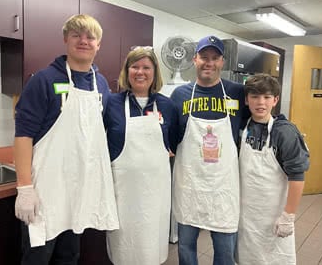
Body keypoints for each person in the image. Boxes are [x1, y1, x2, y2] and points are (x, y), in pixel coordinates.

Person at [14, 14, 119, 264]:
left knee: (69, 257)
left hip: (77, 195)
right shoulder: (44, 80)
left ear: (98, 44)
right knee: (36, 258)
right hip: (45, 194)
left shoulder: (101, 84)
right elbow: (23, 136)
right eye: (76, 35)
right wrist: (25, 189)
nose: (84, 41)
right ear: (65, 39)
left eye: (90, 36)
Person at [171, 35, 249, 265]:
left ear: (222, 62)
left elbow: (260, 111)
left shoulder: (237, 93)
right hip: (190, 186)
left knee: (225, 251)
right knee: (185, 247)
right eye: (204, 57)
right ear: (194, 59)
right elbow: (171, 136)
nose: (209, 62)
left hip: (223, 187)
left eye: (215, 58)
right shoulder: (180, 95)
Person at [103, 46, 178, 265]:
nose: (140, 72)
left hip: (155, 193)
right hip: (122, 193)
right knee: (123, 247)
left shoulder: (168, 106)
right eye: (134, 66)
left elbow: (172, 143)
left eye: (146, 67)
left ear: (155, 72)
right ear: (127, 71)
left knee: (151, 246)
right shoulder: (112, 104)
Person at [237, 73, 309, 264]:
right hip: (246, 214)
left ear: (275, 100)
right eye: (254, 96)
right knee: (247, 258)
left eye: (267, 97)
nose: (261, 102)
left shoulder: (284, 132)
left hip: (274, 215)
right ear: (246, 100)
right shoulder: (242, 127)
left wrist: (288, 215)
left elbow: (297, 176)